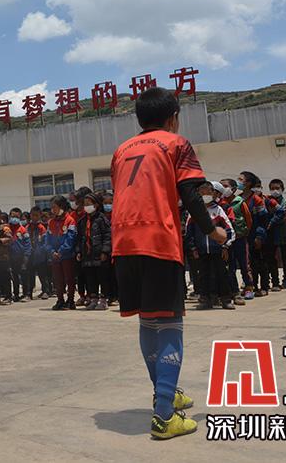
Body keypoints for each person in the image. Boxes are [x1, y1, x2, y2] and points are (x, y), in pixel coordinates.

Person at [111, 87, 227, 439]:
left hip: (124, 243)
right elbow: (191, 193)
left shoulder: (121, 150)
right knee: (170, 324)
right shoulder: (176, 144)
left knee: (148, 323)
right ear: (173, 117)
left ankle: (167, 392)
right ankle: (164, 415)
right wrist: (212, 230)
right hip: (157, 240)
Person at [185, 183, 235, 310]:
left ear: (213, 193)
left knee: (222, 275)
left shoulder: (218, 210)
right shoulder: (194, 212)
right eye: (202, 193)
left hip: (217, 250)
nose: (205, 195)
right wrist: (193, 248)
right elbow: (189, 232)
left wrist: (225, 246)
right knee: (203, 276)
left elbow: (229, 229)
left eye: (208, 192)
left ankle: (226, 300)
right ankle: (205, 300)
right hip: (201, 251)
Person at [220, 178, 254, 302]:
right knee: (230, 266)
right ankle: (233, 290)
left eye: (225, 186)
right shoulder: (221, 203)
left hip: (240, 238)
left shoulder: (239, 202)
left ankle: (249, 287)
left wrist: (244, 232)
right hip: (228, 240)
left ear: (233, 189)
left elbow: (248, 219)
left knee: (244, 264)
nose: (223, 188)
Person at [81, 192, 111, 311]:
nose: (86, 206)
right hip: (87, 254)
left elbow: (108, 235)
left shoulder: (101, 219)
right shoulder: (83, 221)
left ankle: (103, 300)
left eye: (89, 203)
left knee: (102, 277)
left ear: (96, 205)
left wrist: (105, 251)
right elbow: (80, 237)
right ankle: (93, 299)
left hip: (99, 253)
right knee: (90, 278)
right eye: (85, 204)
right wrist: (79, 251)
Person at [46, 195, 77, 311]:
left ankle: (70, 300)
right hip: (54, 256)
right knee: (57, 279)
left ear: (62, 207)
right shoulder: (51, 222)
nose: (52, 210)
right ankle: (60, 300)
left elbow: (70, 238)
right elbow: (47, 240)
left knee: (69, 279)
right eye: (51, 207)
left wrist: (61, 251)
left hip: (67, 255)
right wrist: (52, 251)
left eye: (54, 207)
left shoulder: (70, 220)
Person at [266, 179, 286, 290]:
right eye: (272, 188)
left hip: (285, 235)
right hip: (272, 235)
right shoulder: (267, 201)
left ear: (282, 189)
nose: (275, 191)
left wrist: (272, 219)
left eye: (277, 188)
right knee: (272, 259)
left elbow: (283, 216)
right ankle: (275, 282)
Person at [8, 207, 32, 301]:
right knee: (14, 277)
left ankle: (27, 294)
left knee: (24, 276)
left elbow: (28, 244)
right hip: (11, 257)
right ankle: (16, 294)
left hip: (22, 257)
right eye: (12, 216)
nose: (14, 219)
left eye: (16, 217)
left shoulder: (23, 230)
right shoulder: (7, 229)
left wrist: (26, 257)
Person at [28, 206, 52, 299]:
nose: (34, 217)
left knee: (43, 274)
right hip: (30, 255)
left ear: (39, 216)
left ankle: (46, 291)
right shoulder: (27, 227)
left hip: (41, 256)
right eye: (33, 215)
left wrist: (45, 253)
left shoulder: (42, 228)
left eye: (36, 215)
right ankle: (29, 293)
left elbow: (45, 242)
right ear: (30, 215)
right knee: (30, 275)